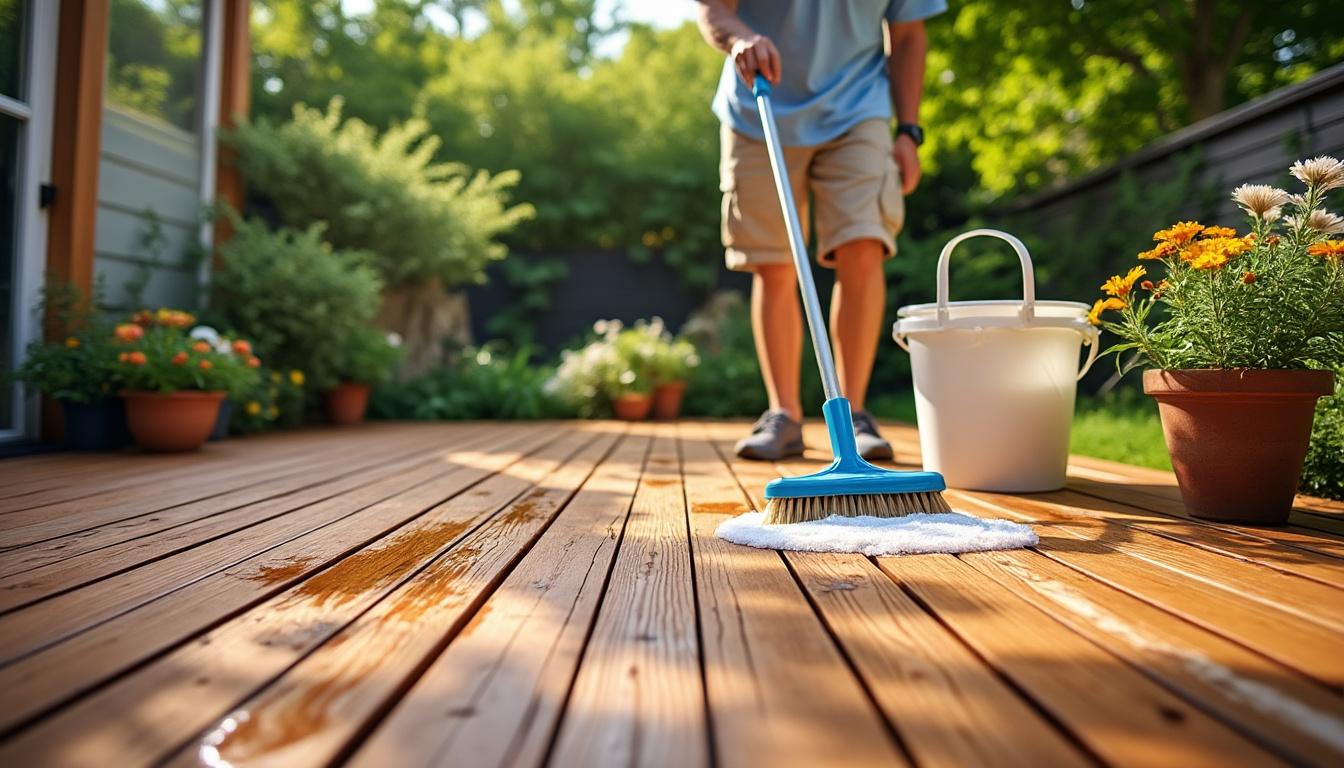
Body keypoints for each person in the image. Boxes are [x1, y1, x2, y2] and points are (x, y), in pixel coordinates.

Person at [696, 0, 945, 460]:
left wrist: (909, 131)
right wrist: (739, 38)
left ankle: (853, 415)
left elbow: (908, 35)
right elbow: (713, 9)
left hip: (858, 107)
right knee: (773, 264)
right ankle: (784, 416)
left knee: (864, 245)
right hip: (758, 105)